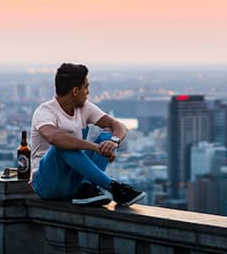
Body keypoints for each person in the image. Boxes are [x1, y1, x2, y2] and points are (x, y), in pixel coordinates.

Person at [30, 63, 145, 206]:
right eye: (86, 87)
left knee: (107, 136)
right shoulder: (45, 112)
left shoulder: (84, 108)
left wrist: (113, 141)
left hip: (74, 181)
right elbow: (54, 138)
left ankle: (86, 188)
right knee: (63, 144)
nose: (88, 92)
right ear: (76, 91)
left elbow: (118, 125)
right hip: (47, 184)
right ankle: (114, 187)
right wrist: (95, 147)